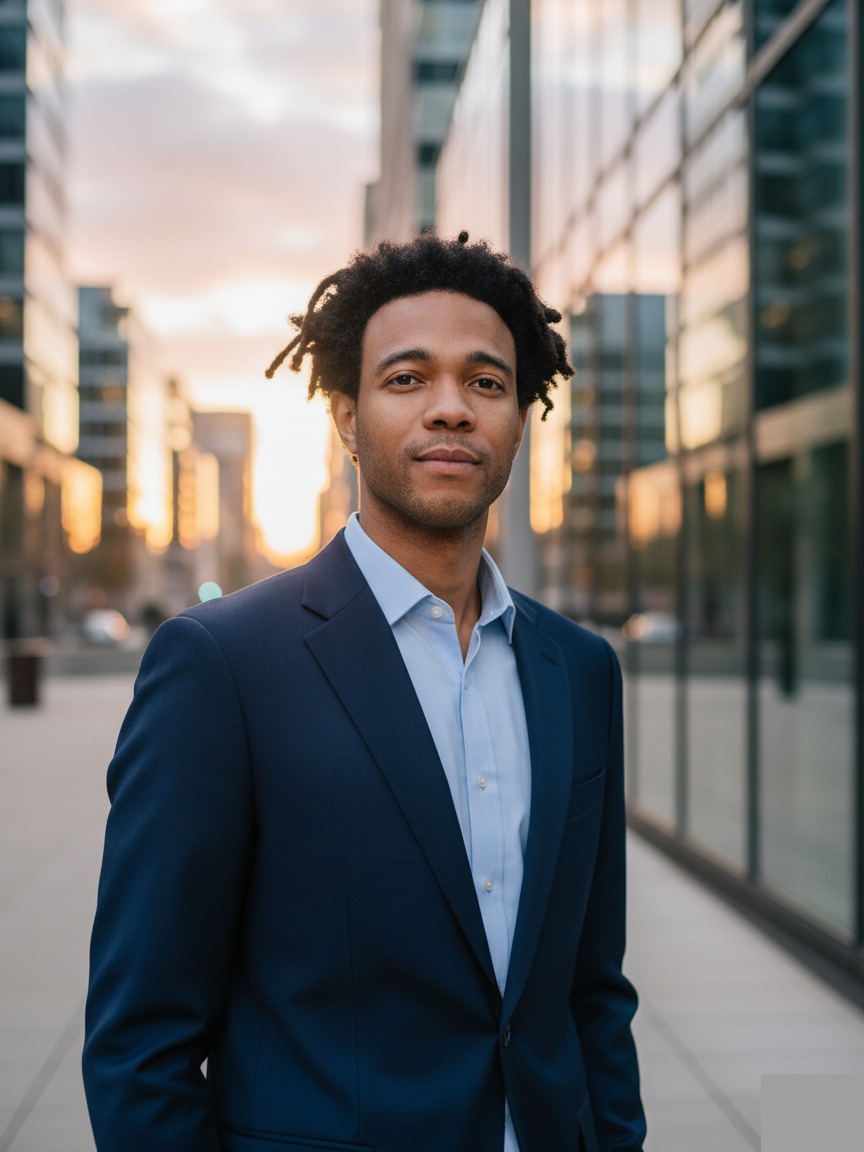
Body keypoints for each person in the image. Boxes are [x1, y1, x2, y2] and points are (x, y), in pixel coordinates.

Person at [82, 231, 646, 1152]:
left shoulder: (578, 671)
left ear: (520, 416)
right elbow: (142, 1040)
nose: (451, 410)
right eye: (407, 378)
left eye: (486, 382)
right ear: (346, 417)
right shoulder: (221, 666)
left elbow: (591, 990)